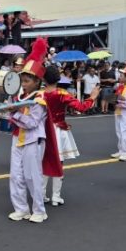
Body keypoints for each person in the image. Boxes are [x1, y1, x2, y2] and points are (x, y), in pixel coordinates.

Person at [6, 38, 62, 223]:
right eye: (22, 79)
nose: (23, 83)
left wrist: (15, 113)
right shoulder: (20, 97)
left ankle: (39, 210)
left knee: (32, 176)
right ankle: (21, 209)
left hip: (33, 140)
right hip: (18, 138)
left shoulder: (39, 99)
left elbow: (31, 123)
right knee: (15, 176)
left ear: (37, 82)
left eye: (27, 80)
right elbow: (11, 118)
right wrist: (10, 112)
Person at [41, 65, 99, 206]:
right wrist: (92, 97)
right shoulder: (61, 93)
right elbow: (81, 107)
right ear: (58, 78)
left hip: (42, 130)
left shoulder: (39, 94)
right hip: (58, 131)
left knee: (43, 162)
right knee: (59, 162)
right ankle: (55, 196)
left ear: (43, 78)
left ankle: (41, 195)